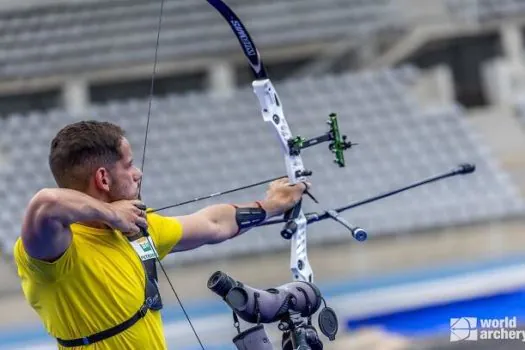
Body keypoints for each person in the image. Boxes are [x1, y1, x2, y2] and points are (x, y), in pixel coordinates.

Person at [13, 120, 309, 349]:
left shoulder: (136, 229)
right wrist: (112, 214)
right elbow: (45, 203)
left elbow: (213, 224)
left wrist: (272, 204)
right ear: (103, 178)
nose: (137, 173)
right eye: (128, 165)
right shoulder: (54, 248)